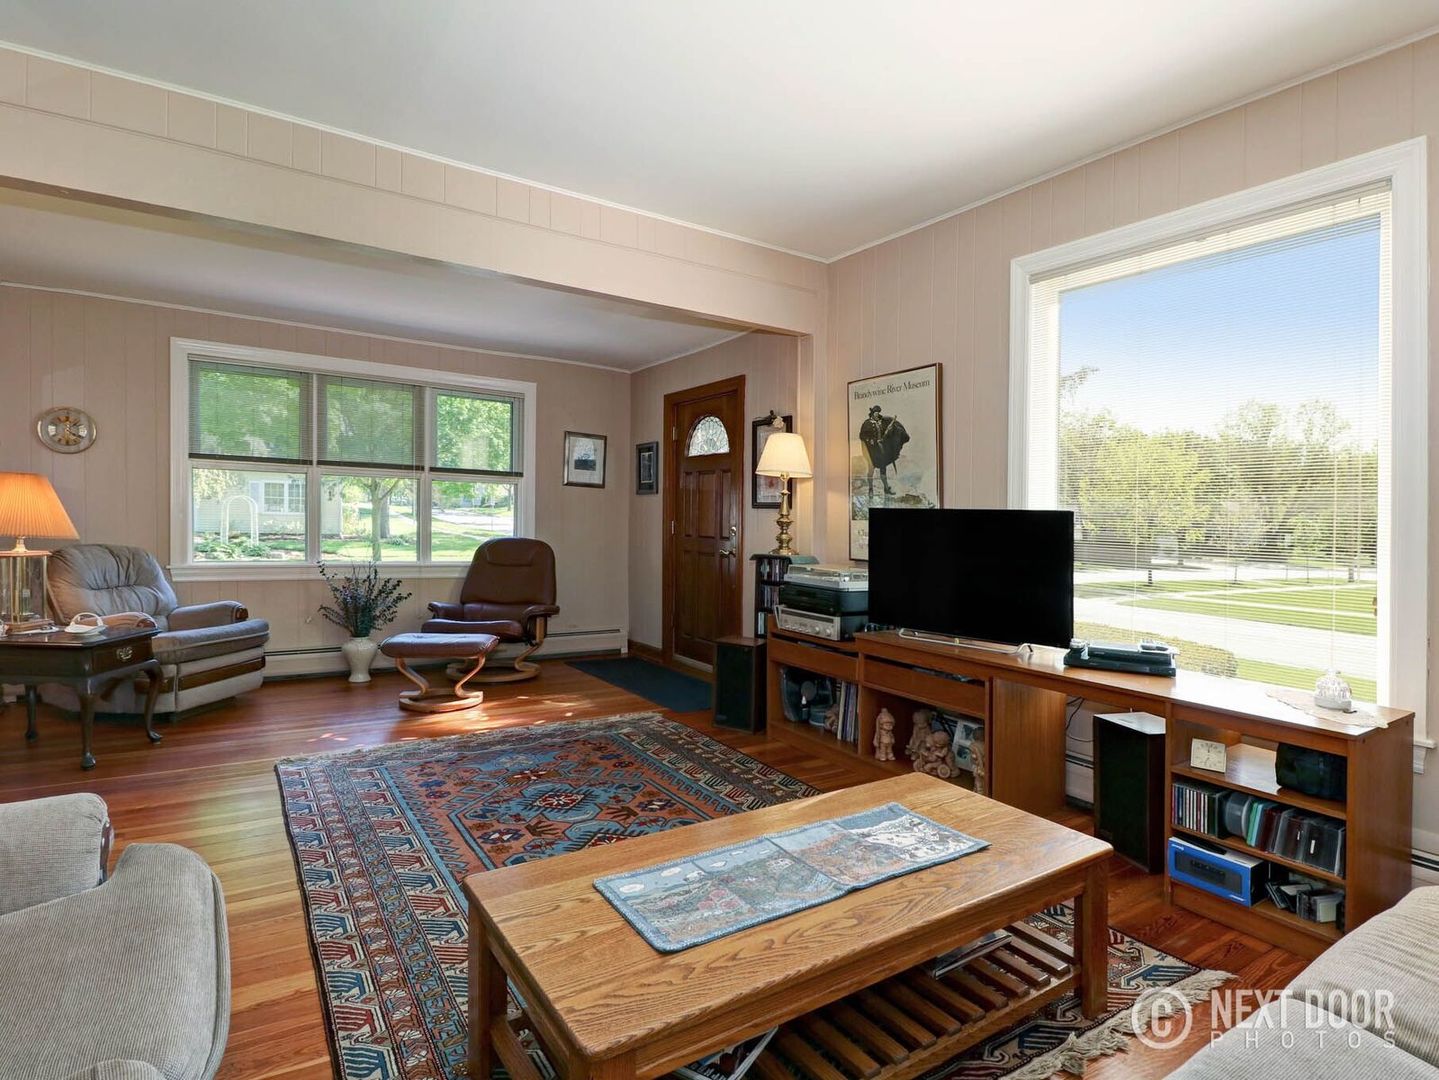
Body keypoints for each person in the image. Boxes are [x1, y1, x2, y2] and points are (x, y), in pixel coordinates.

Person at [859, 404, 910, 497]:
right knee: (871, 469)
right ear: (872, 413)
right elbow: (862, 436)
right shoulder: (867, 423)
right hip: (872, 451)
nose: (877, 414)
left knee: (883, 469)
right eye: (875, 412)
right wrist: (871, 441)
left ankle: (886, 488)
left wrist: (889, 432)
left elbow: (885, 434)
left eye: (878, 412)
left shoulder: (881, 422)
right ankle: (870, 489)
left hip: (881, 449)